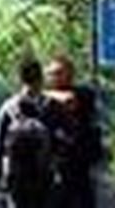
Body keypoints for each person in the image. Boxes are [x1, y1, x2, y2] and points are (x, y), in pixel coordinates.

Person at [0, 58, 59, 208]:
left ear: (20, 79)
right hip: (43, 177)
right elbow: (61, 142)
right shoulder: (52, 107)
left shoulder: (9, 108)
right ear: (41, 78)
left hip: (16, 178)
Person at [44, 55, 103, 208]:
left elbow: (69, 100)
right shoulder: (45, 102)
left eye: (58, 73)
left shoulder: (84, 94)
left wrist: (42, 94)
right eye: (50, 74)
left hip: (79, 166)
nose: (53, 77)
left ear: (70, 74)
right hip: (54, 168)